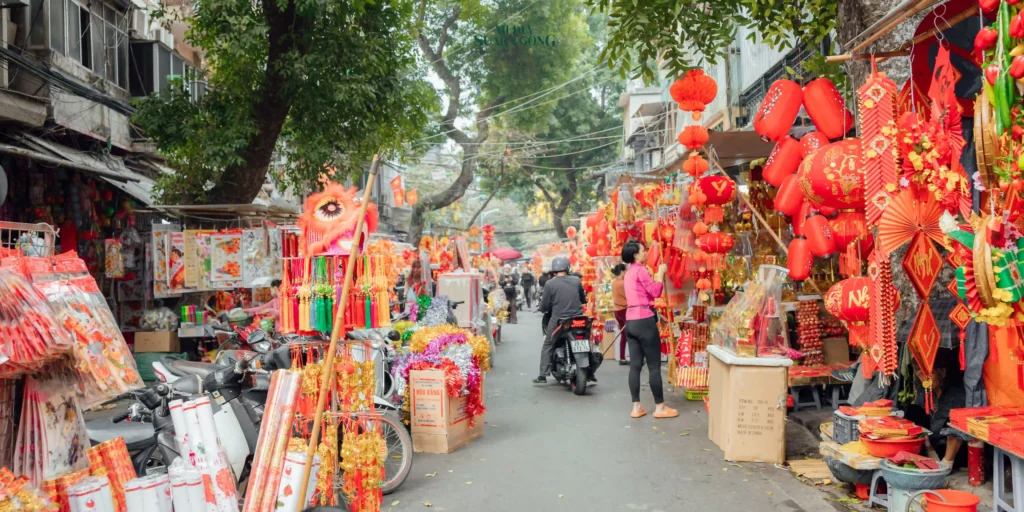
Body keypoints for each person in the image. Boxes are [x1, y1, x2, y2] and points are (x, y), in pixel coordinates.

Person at [622, 241, 677, 419]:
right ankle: (660, 407)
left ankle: (636, 407)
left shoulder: (628, 273)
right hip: (644, 320)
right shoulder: (641, 270)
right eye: (643, 250)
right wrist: (660, 274)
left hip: (631, 321)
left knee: (635, 366)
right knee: (653, 365)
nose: (646, 253)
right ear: (636, 255)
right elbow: (655, 291)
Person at [535, 256, 589, 384]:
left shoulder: (550, 284)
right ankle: (590, 370)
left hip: (559, 320)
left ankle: (543, 375)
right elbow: (583, 299)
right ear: (567, 268)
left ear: (554, 270)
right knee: (587, 340)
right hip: (578, 318)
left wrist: (541, 308)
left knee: (548, 344)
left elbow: (545, 306)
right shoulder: (576, 280)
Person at [611, 263, 629, 366]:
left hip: (617, 311)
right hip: (624, 310)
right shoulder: (623, 283)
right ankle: (633, 357)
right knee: (629, 334)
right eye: (625, 270)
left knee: (624, 335)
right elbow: (628, 296)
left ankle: (622, 357)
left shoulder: (614, 282)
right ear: (622, 271)